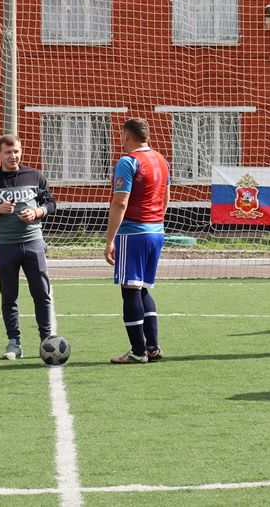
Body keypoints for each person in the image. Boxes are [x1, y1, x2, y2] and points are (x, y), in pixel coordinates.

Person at [0, 134, 57, 360]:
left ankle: (46, 340)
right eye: (8, 152)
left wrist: (37, 212)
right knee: (9, 296)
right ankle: (14, 343)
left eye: (16, 151)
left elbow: (51, 204)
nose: (13, 156)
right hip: (5, 245)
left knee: (41, 293)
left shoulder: (35, 176)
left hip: (33, 243)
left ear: (21, 151)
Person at [104, 118, 170, 364]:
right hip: (156, 230)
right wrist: (156, 221)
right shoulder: (161, 160)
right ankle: (152, 348)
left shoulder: (128, 161)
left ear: (126, 135)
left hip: (133, 233)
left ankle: (138, 351)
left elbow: (120, 202)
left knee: (130, 289)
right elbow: (166, 197)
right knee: (142, 288)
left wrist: (110, 240)